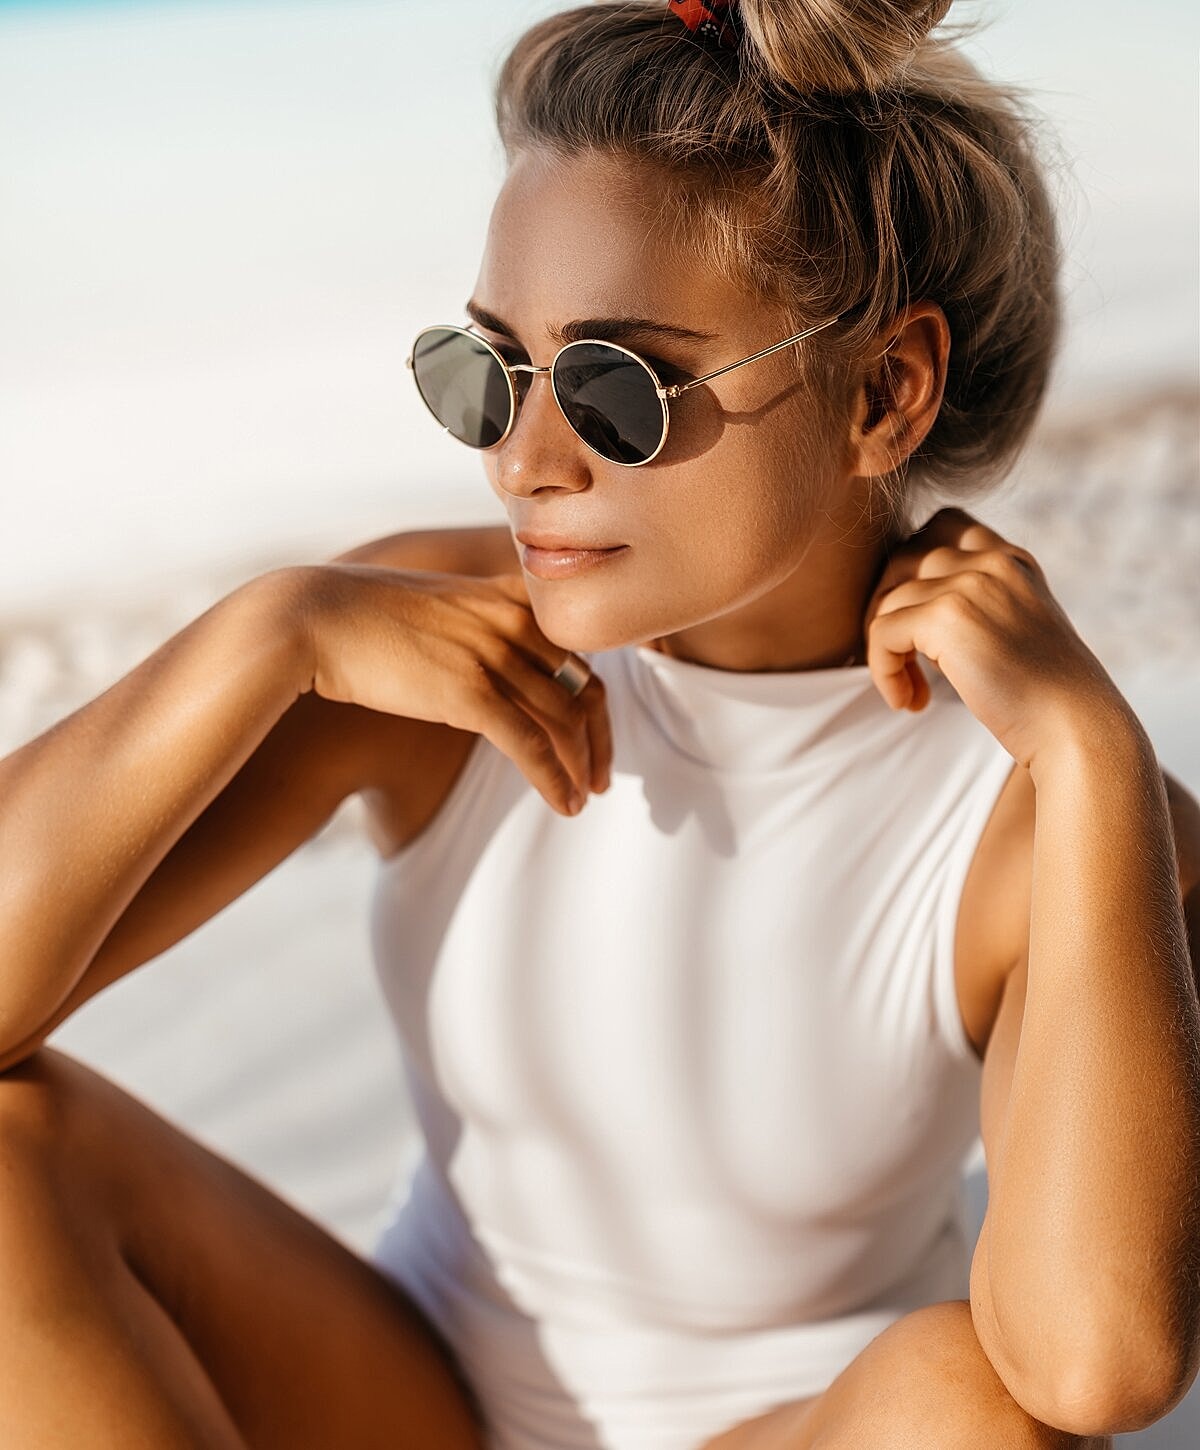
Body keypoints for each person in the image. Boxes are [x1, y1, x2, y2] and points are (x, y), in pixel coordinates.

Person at [0, 1, 1197, 1447]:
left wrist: (1093, 755)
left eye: (613, 388)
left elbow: (1097, 1369)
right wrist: (272, 632)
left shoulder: (1031, 807)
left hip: (788, 1428)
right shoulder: (427, 656)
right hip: (401, 1399)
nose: (523, 459)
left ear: (883, 391)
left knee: (970, 1406)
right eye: (489, 368)